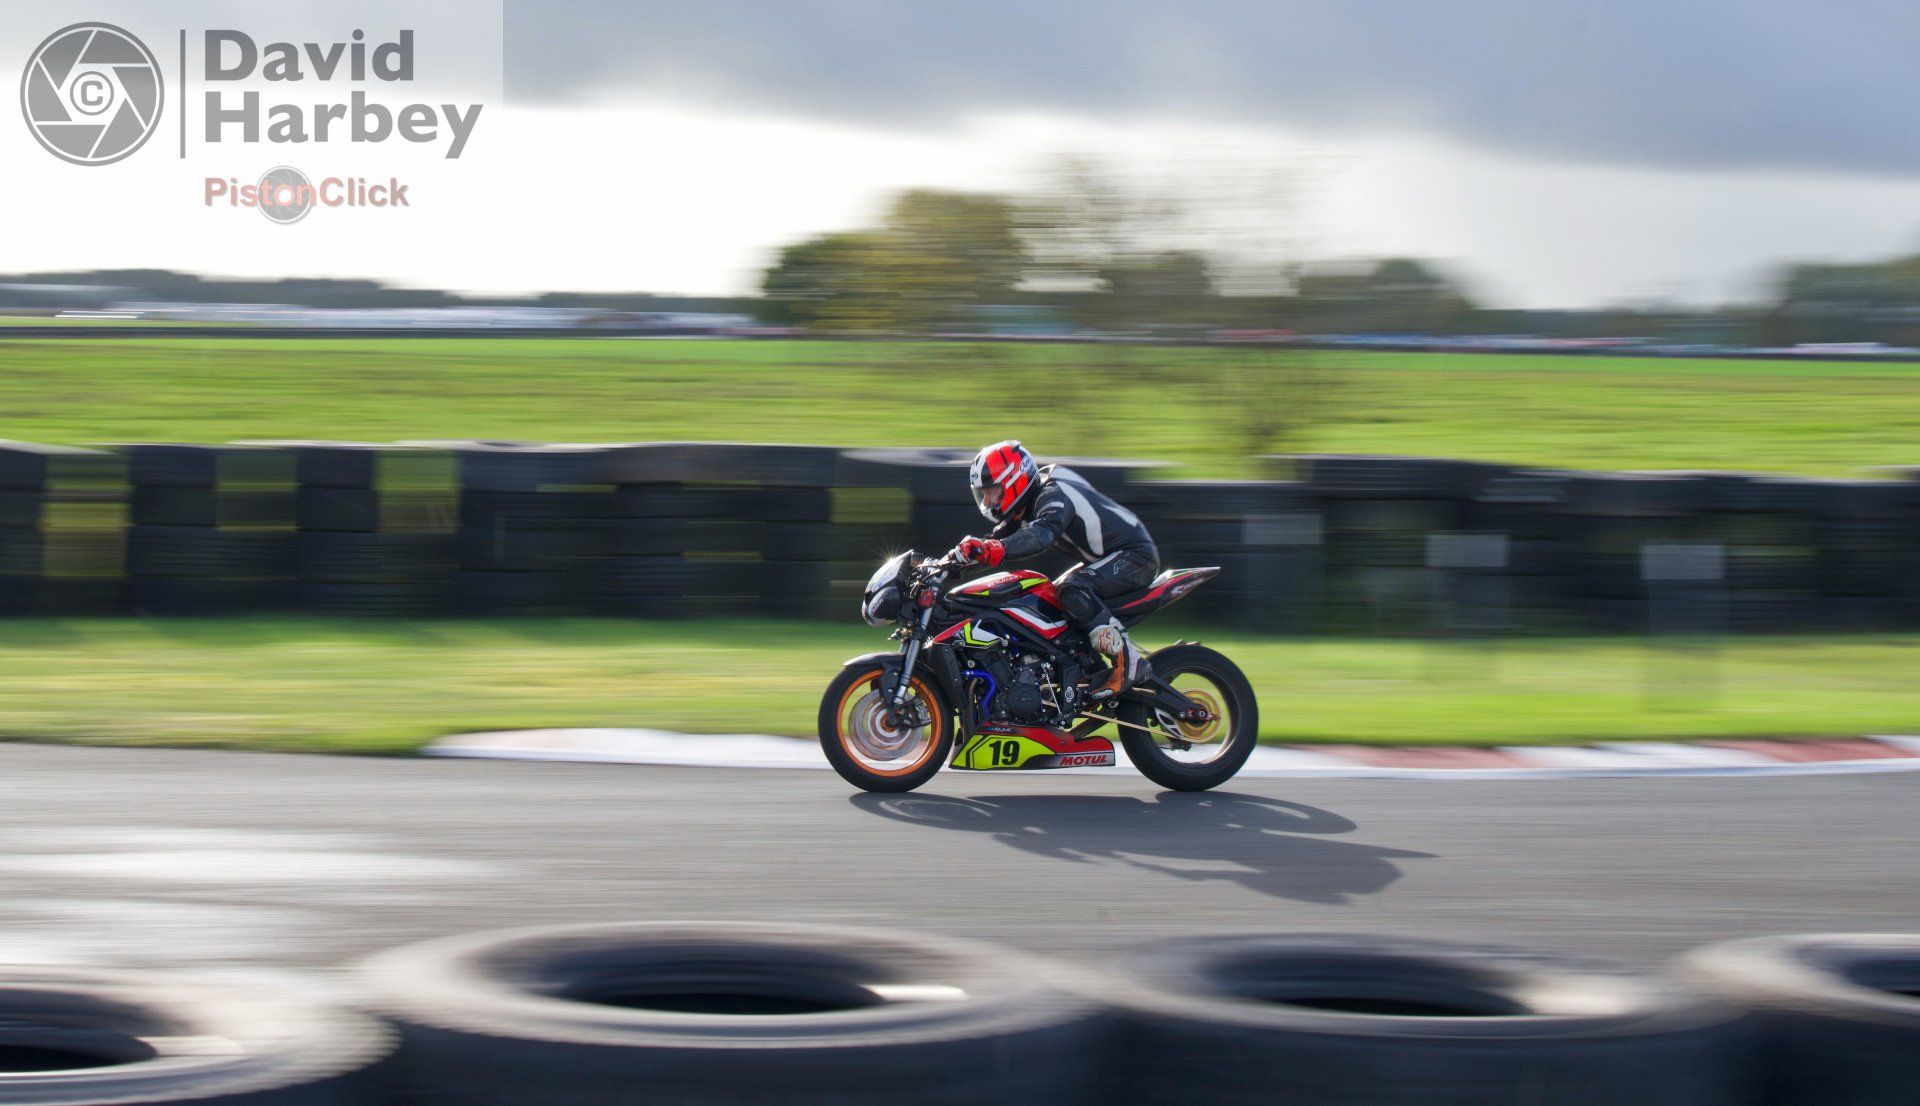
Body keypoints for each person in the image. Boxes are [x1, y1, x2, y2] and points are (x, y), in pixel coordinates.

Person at [950, 440, 1159, 701]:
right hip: (1108, 558)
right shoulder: (1026, 505)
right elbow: (994, 544)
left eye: (992, 491)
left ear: (1014, 480)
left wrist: (990, 548)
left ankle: (1129, 662)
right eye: (983, 494)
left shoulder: (1053, 494)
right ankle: (1084, 670)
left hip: (1134, 555)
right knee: (1049, 597)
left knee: (1073, 589)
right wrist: (947, 565)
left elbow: (1040, 536)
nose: (988, 500)